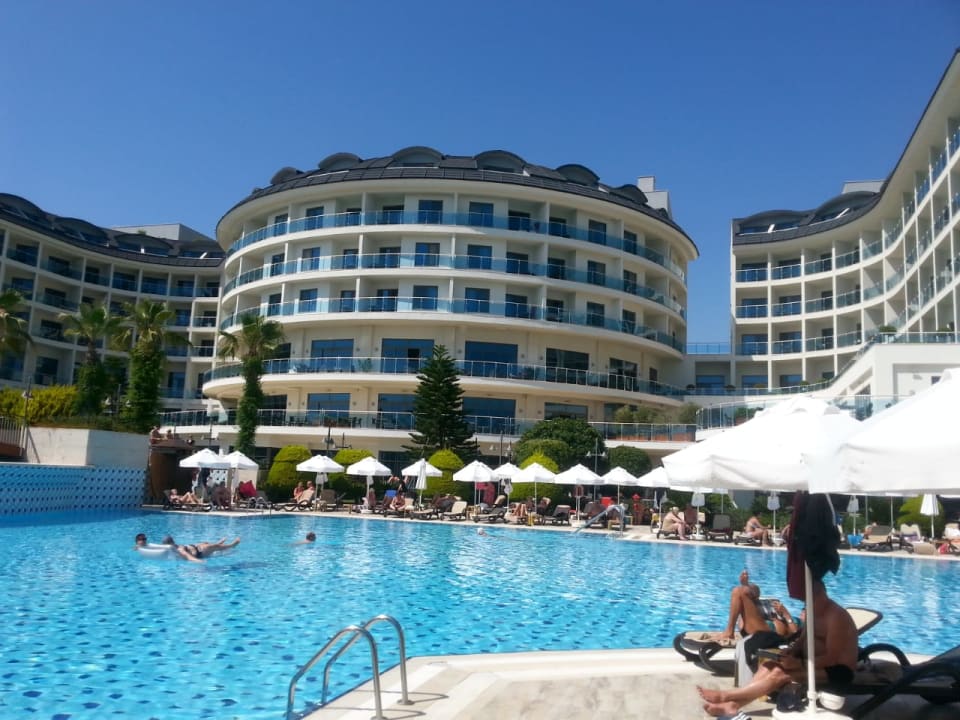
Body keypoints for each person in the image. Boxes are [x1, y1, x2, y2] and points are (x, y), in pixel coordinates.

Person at [697, 578, 858, 717]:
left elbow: (832, 659)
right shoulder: (813, 612)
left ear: (821, 594)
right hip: (810, 661)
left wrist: (799, 664)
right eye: (805, 599)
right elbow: (803, 640)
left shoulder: (836, 617)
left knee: (780, 674)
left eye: (809, 598)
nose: (806, 603)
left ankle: (726, 696)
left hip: (837, 671)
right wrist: (790, 652)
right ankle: (733, 705)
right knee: (768, 665)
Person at [160, 535, 241, 563]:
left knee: (205, 543)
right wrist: (199, 561)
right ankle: (231, 545)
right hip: (200, 553)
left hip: (196, 547)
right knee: (211, 547)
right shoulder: (179, 550)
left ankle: (218, 543)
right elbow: (188, 557)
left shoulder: (176, 546)